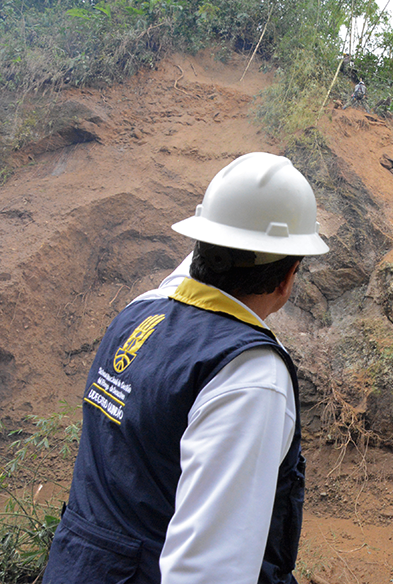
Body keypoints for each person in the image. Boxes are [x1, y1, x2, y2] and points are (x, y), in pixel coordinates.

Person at [44, 152, 330, 584]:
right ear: (289, 276)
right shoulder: (248, 374)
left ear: (200, 243)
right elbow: (208, 571)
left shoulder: (138, 314)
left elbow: (188, 282)